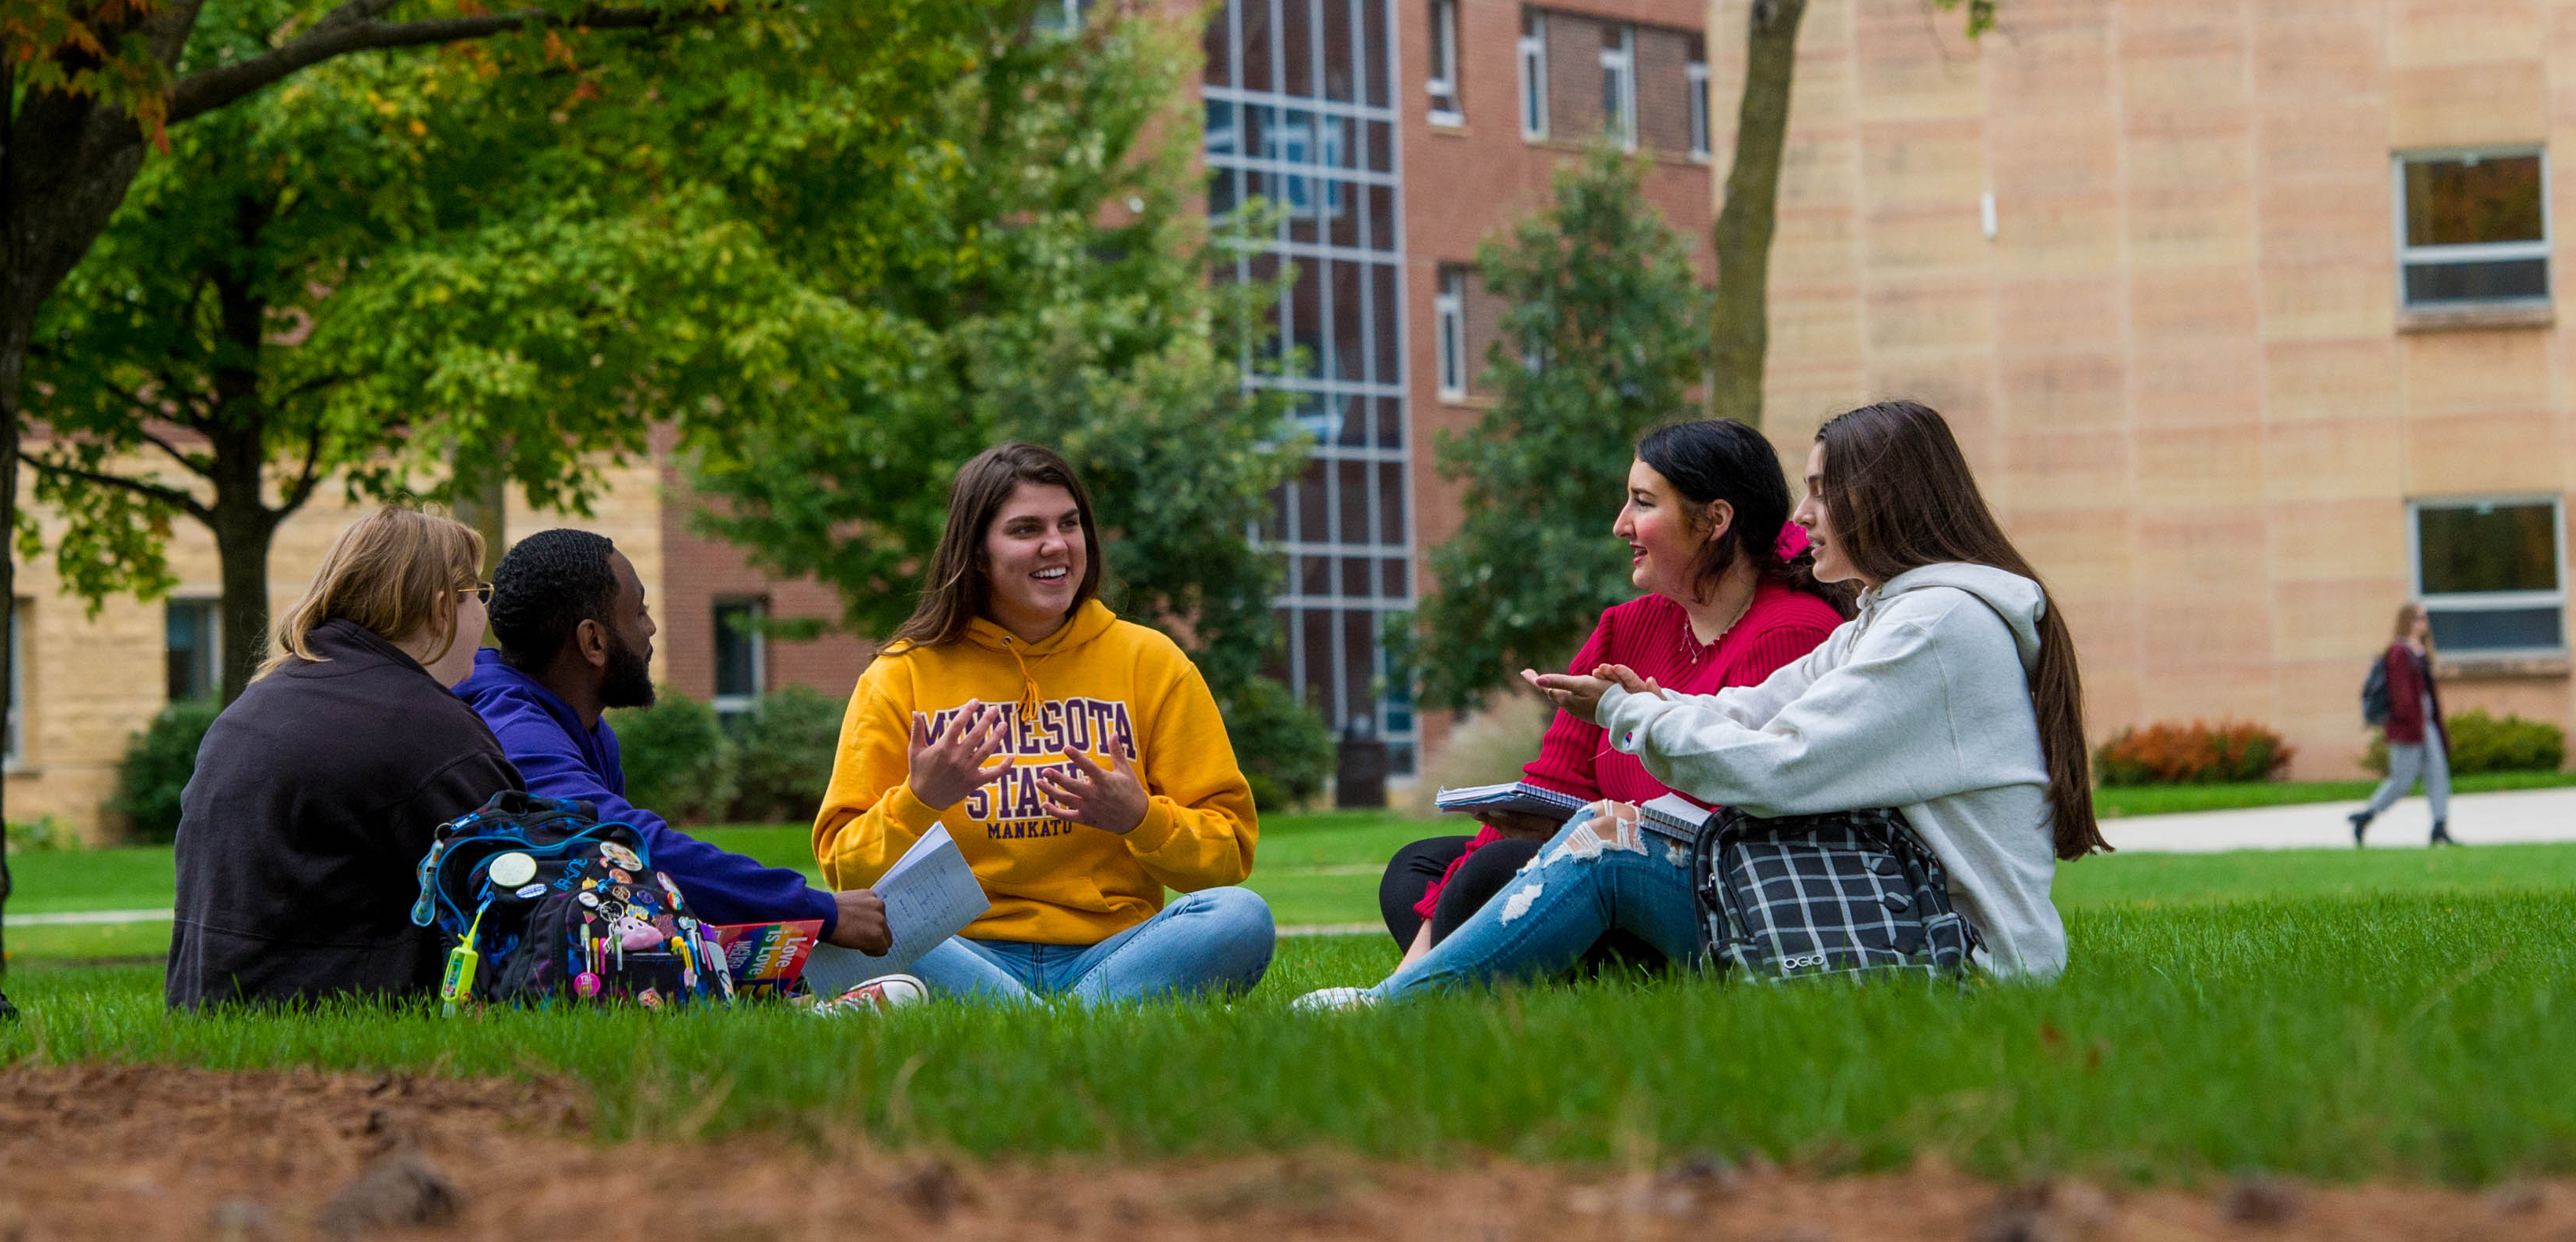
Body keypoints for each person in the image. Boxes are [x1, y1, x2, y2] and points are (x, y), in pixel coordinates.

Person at [1303, 400, 2106, 1004]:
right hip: (1887, 908)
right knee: (1555, 842)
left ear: (1882, 500)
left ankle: (1396, 1008)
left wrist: (1629, 713)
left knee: (1602, 843)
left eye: (1822, 491)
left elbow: (1778, 765)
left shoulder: (1936, 626)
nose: (1801, 515)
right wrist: (1640, 703)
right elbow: (1760, 707)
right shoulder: (1891, 615)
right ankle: (1440, 994)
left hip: (1954, 957)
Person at [811, 440, 1275, 1004]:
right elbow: (842, 868)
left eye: (1070, 523)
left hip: (1117, 949)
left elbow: (1229, 855)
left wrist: (1140, 818)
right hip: (960, 951)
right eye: (1027, 528)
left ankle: (1022, 1014)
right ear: (977, 551)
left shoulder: (1151, 662)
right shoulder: (902, 674)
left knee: (1240, 916)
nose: (1056, 544)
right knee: (831, 929)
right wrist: (920, 799)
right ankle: (1080, 1015)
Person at [1375, 419, 1847, 969]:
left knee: (1494, 874)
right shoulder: (1624, 628)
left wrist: (1597, 823)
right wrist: (1538, 821)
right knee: (1420, 868)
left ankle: (1462, 980)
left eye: (1643, 503)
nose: (1621, 524)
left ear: (1715, 520)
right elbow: (1555, 778)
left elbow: (1747, 803)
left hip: (1705, 890)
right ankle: (1468, 975)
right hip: (1595, 856)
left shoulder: (1793, 632)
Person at [456, 528, 894, 952]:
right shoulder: (514, 734)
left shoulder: (583, 728)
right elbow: (629, 846)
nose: (651, 630)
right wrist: (820, 910)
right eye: (639, 613)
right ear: (593, 640)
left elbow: (625, 889)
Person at [167, 507, 514, 1009]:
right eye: (478, 596)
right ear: (442, 607)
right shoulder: (423, 726)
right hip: (323, 1028)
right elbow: (522, 887)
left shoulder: (260, 702)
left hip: (209, 1011)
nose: (484, 619)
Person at [2349, 603, 2454, 846]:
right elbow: (2400, 693)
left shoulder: (2421, 652)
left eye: (2425, 618)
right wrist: (2408, 717)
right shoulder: (2398, 652)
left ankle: (2440, 827)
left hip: (2427, 725)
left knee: (2438, 773)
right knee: (2402, 780)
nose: (2424, 622)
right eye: (2419, 618)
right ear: (2408, 621)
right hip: (2407, 727)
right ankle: (2366, 816)